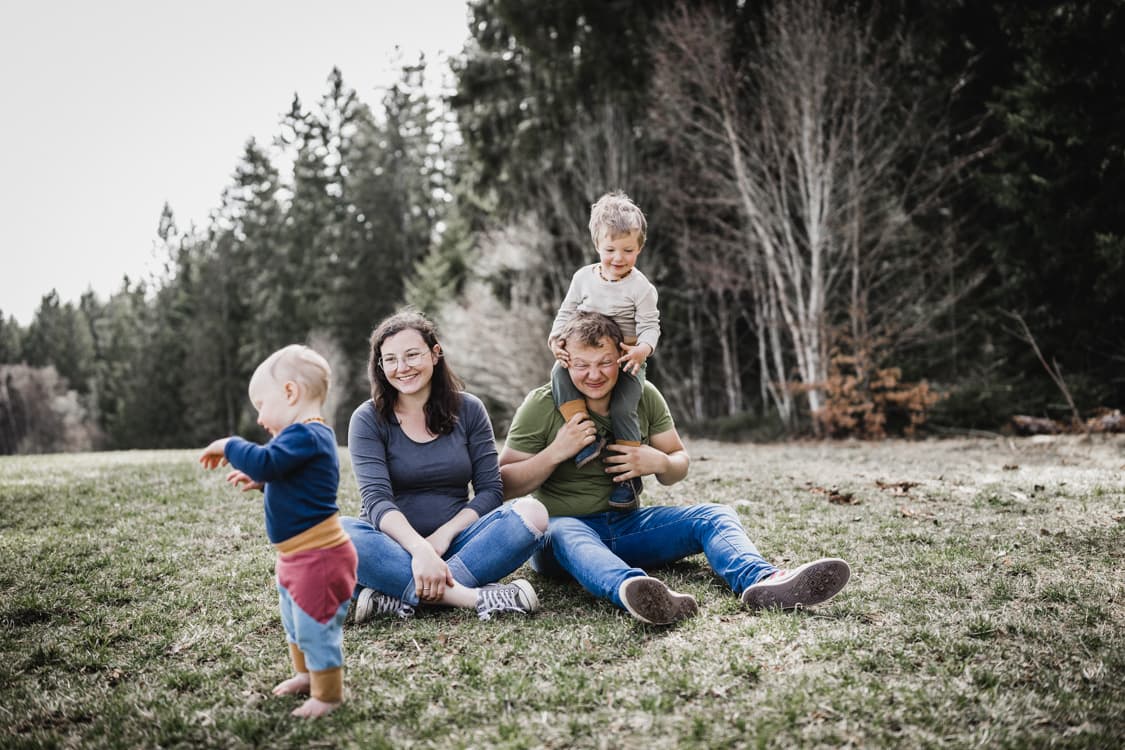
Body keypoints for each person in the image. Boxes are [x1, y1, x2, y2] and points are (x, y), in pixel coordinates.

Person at [500, 311, 851, 625]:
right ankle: (635, 591)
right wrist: (556, 451)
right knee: (565, 531)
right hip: (560, 535)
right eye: (581, 365)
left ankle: (762, 580)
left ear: (622, 356)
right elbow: (505, 484)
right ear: (565, 362)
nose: (594, 374)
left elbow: (678, 463)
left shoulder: (644, 395)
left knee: (715, 515)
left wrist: (660, 461)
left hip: (625, 526)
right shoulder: (541, 404)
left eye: (605, 362)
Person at [341, 309, 547, 624]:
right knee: (338, 533)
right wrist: (420, 550)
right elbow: (377, 500)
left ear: (435, 353)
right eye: (390, 360)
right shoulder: (368, 418)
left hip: (458, 545)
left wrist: (442, 537)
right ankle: (472, 598)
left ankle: (394, 595)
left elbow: (490, 491)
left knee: (533, 513)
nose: (402, 368)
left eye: (412, 355)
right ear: (380, 366)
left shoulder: (470, 409)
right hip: (390, 547)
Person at [200, 344, 356, 718]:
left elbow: (266, 461)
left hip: (318, 556)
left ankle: (328, 695)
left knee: (315, 626)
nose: (259, 418)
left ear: (290, 392)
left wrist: (229, 444)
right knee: (296, 623)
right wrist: (264, 483)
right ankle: (305, 675)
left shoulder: (305, 435)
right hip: (296, 557)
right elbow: (289, 479)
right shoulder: (305, 439)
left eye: (261, 406)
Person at [547, 190, 659, 511]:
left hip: (626, 360)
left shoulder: (641, 288)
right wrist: (555, 339)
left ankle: (627, 478)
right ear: (597, 244)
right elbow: (566, 312)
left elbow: (651, 325)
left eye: (628, 250)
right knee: (558, 375)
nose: (618, 258)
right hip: (587, 354)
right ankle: (587, 437)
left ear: (639, 248)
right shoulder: (583, 278)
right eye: (610, 249)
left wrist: (642, 351)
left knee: (623, 408)